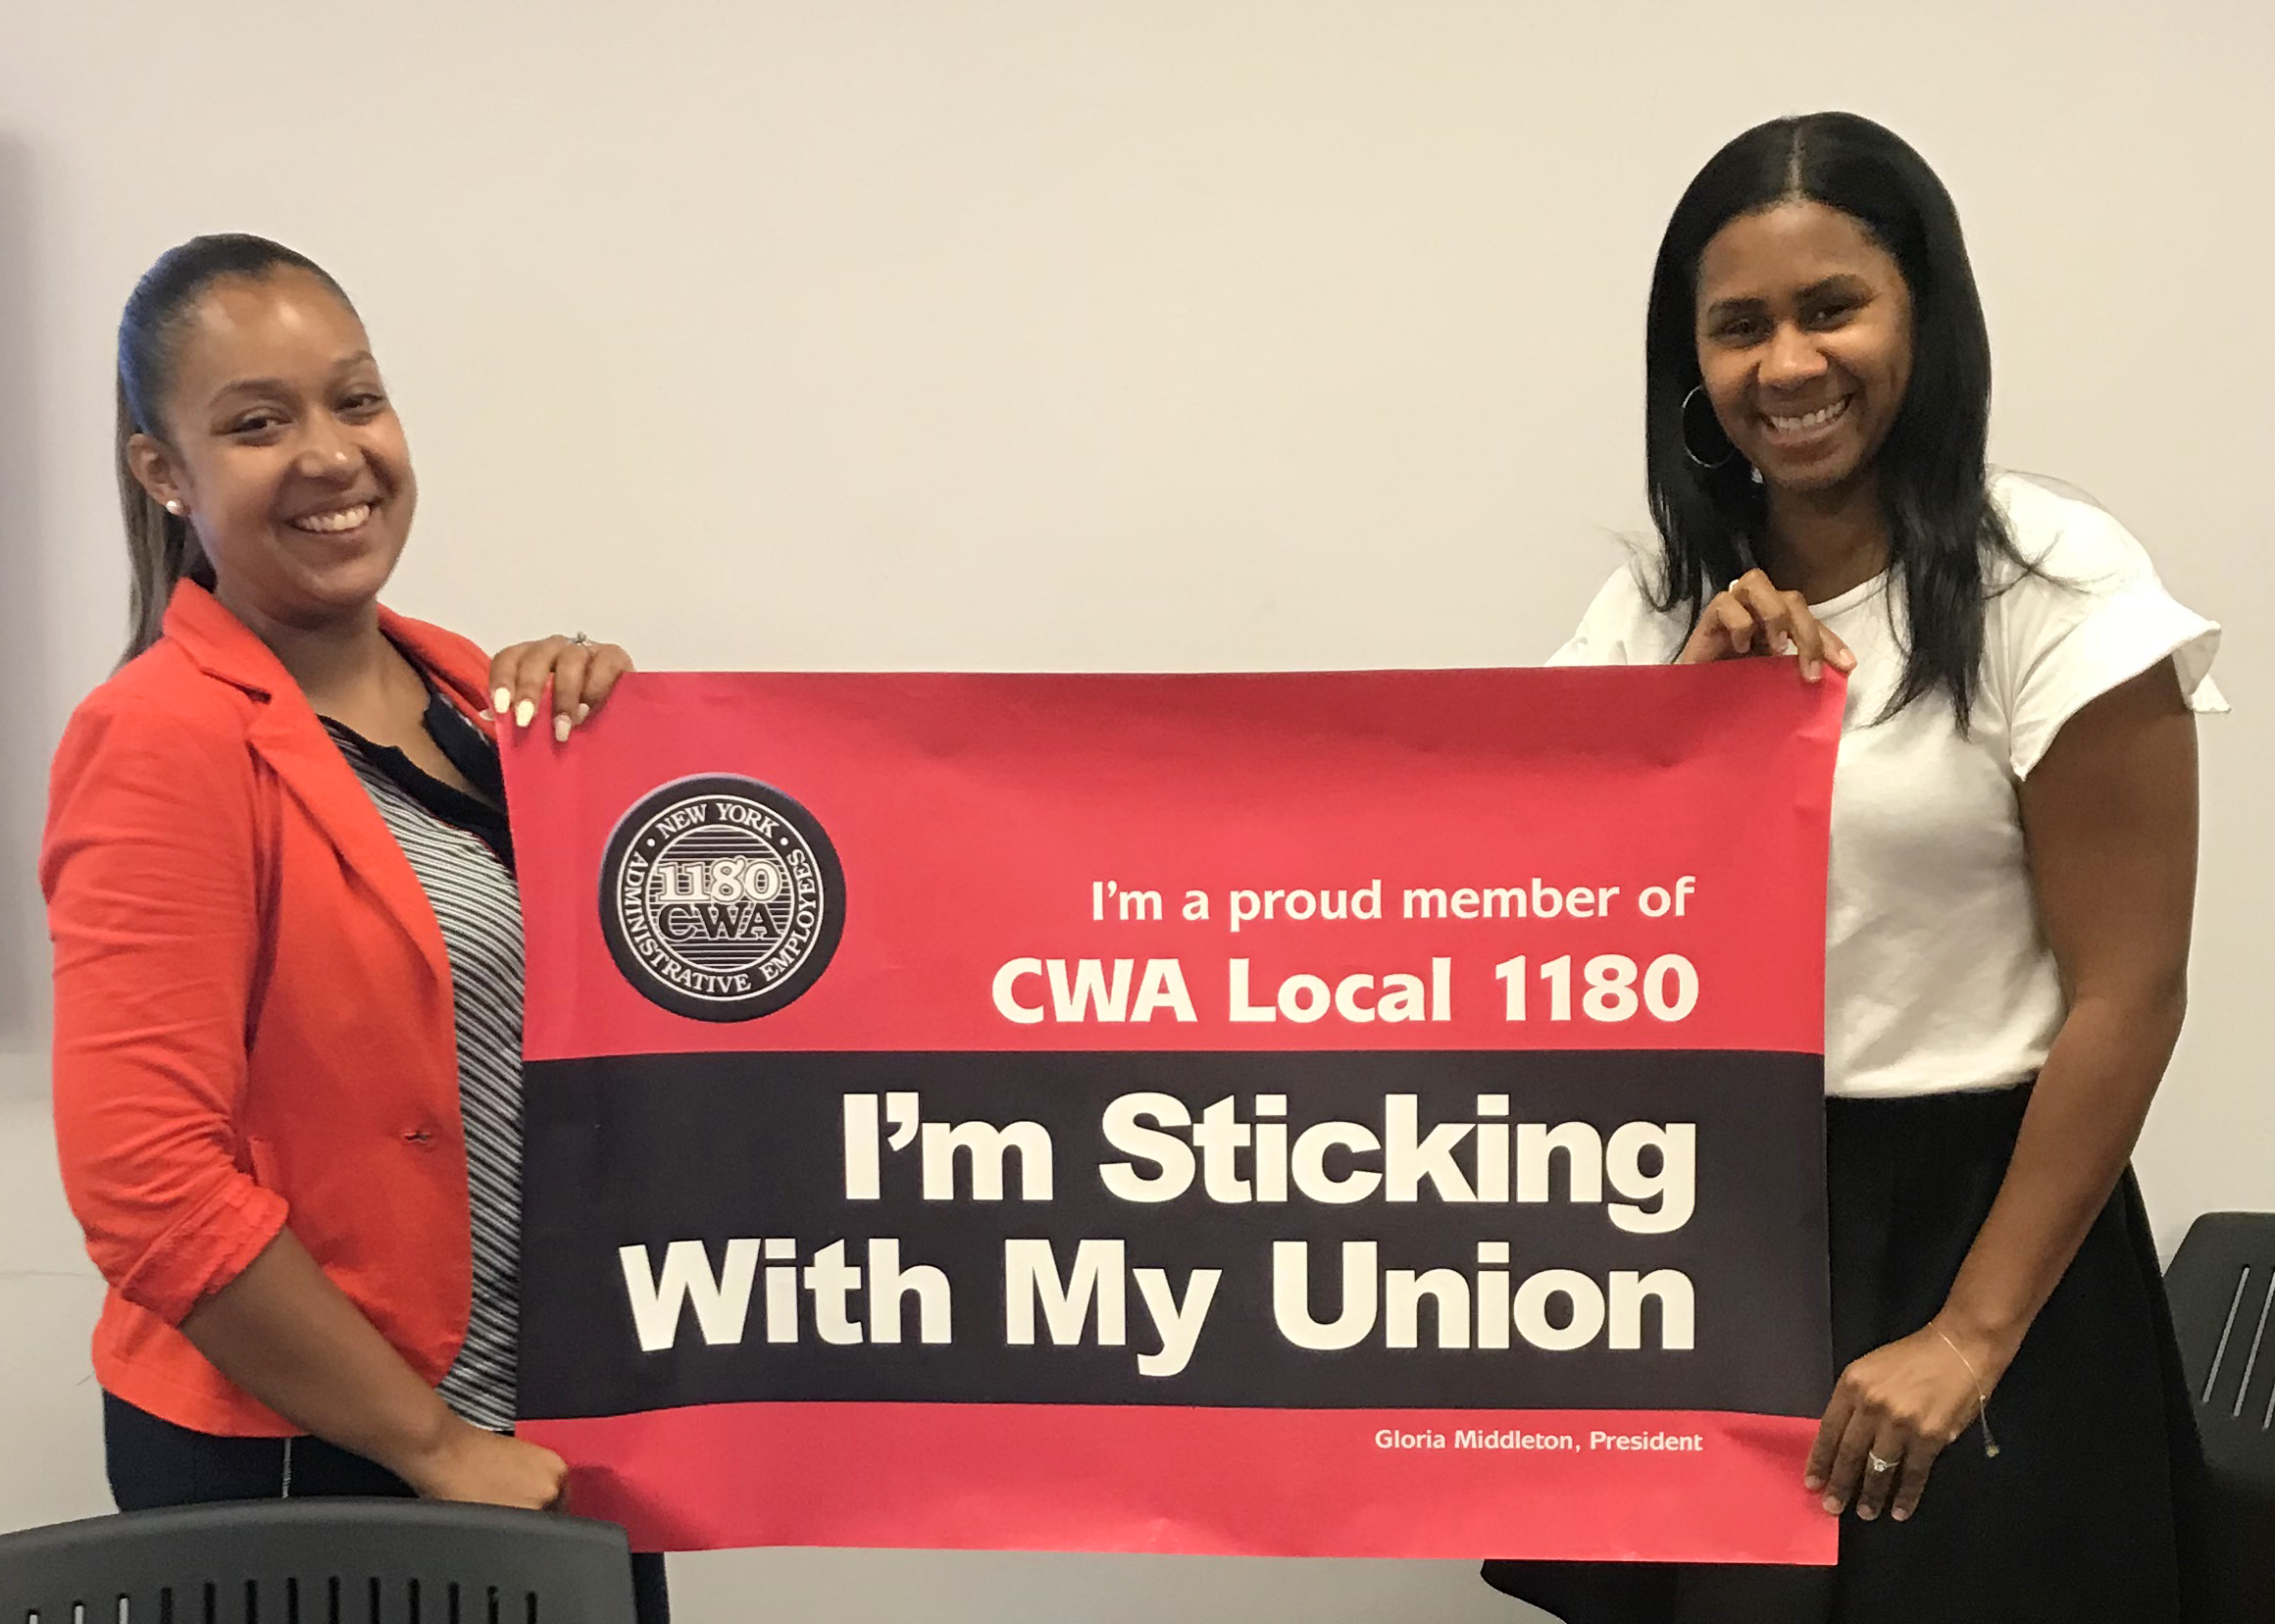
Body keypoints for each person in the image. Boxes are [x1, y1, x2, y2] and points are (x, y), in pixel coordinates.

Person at [1484, 113, 2216, 1623]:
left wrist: (1970, 1336)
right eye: (1739, 326)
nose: (1789, 364)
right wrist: (1687, 729)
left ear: (1924, 317)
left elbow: (2131, 992)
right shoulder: (1654, 606)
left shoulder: (2052, 587)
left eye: (1834, 308)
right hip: (1706, 1223)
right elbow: (1545, 929)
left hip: (1976, 1222)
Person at [42, 233, 666, 1619]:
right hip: (327, 1456)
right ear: (162, 470)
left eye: (356, 399)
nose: (332, 455)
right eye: (257, 423)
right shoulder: (160, 738)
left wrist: (634, 758)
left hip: (552, 1420)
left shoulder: (478, 697)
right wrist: (433, 1447)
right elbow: (148, 1185)